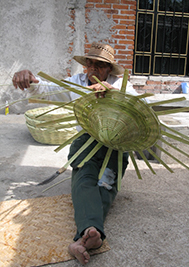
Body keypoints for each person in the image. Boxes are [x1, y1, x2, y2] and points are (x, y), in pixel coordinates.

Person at [12, 42, 138, 265]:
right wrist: (30, 81)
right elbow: (48, 90)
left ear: (109, 69)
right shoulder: (76, 83)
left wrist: (113, 94)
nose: (93, 69)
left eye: (100, 65)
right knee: (84, 178)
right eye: (90, 63)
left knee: (106, 184)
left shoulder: (121, 84)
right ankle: (90, 233)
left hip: (117, 144)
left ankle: (87, 234)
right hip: (86, 141)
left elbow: (138, 105)